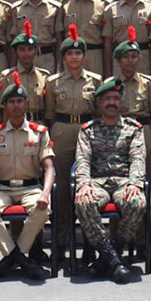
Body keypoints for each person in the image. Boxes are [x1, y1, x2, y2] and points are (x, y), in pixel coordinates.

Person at [0, 74, 55, 281]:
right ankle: (20, 258)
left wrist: (45, 193)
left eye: (20, 101)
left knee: (43, 208)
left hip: (30, 188)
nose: (16, 105)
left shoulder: (39, 133)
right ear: (4, 106)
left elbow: (49, 168)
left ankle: (10, 259)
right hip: (2, 189)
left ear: (26, 103)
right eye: (11, 102)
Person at [74, 80, 148, 283]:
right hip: (97, 182)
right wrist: (84, 185)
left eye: (116, 98)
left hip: (124, 182)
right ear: (99, 103)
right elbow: (82, 159)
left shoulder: (133, 128)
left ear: (121, 102)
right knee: (83, 202)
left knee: (137, 203)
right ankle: (113, 260)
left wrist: (135, 183)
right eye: (107, 99)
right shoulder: (88, 130)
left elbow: (137, 159)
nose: (112, 103)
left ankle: (108, 257)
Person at [44, 25, 102, 255]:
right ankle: (61, 241)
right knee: (61, 190)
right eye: (69, 54)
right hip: (62, 131)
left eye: (78, 53)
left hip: (88, 130)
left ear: (84, 56)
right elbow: (49, 114)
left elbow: (99, 111)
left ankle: (90, 242)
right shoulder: (53, 82)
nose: (74, 57)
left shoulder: (96, 81)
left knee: (88, 185)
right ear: (64, 57)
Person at [111, 28, 151, 184]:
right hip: (118, 129)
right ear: (119, 60)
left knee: (145, 171)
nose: (130, 60)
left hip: (142, 128)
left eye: (134, 56)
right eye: (125, 57)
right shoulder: (111, 84)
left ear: (139, 58)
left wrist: (147, 129)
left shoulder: (148, 82)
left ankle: (145, 206)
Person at [0, 21, 50, 124]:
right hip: (14, 126)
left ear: (35, 51)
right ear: (16, 52)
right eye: (22, 50)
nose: (26, 53)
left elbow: (48, 110)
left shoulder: (44, 76)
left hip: (38, 125)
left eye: (30, 49)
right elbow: (3, 110)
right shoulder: (6, 77)